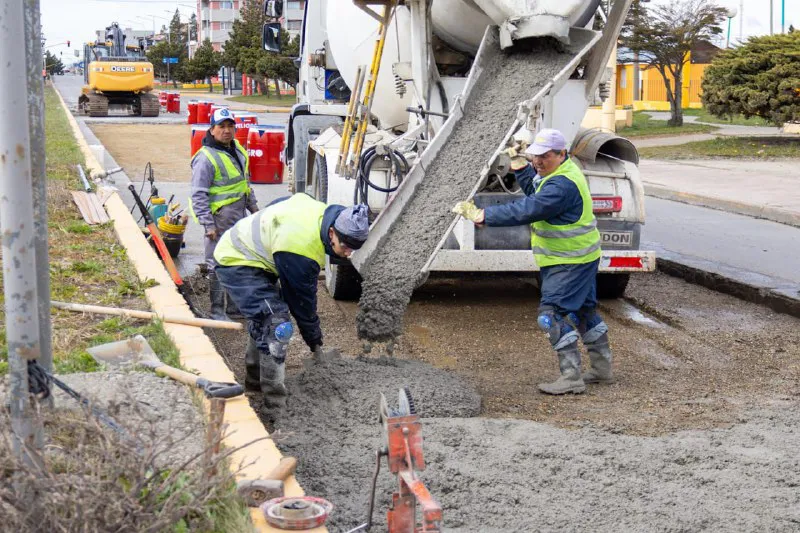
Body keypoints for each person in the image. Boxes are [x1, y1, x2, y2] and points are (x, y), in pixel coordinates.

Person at [452, 128, 613, 395]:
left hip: (568, 261)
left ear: (562, 154)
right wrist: (520, 166)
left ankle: (572, 377)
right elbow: (535, 192)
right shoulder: (558, 173)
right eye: (535, 155)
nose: (538, 161)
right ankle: (602, 370)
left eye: (545, 156)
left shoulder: (562, 186)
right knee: (583, 311)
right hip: (578, 257)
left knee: (549, 317)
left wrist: (484, 215)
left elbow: (530, 209)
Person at [213, 194, 370, 408]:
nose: (348, 253)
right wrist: (314, 341)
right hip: (236, 261)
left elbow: (278, 204)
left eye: (353, 249)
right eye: (345, 247)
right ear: (332, 232)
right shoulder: (301, 248)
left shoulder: (322, 215)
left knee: (264, 314)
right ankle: (275, 404)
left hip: (258, 259)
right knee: (277, 324)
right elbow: (302, 304)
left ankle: (254, 382)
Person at [190, 107, 258, 321]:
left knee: (236, 260)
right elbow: (198, 194)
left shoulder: (237, 150)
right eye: (221, 126)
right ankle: (217, 311)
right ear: (212, 129)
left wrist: (254, 209)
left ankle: (234, 308)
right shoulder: (205, 158)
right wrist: (208, 224)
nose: (227, 130)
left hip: (238, 218)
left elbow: (244, 184)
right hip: (218, 221)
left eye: (230, 126)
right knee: (217, 263)